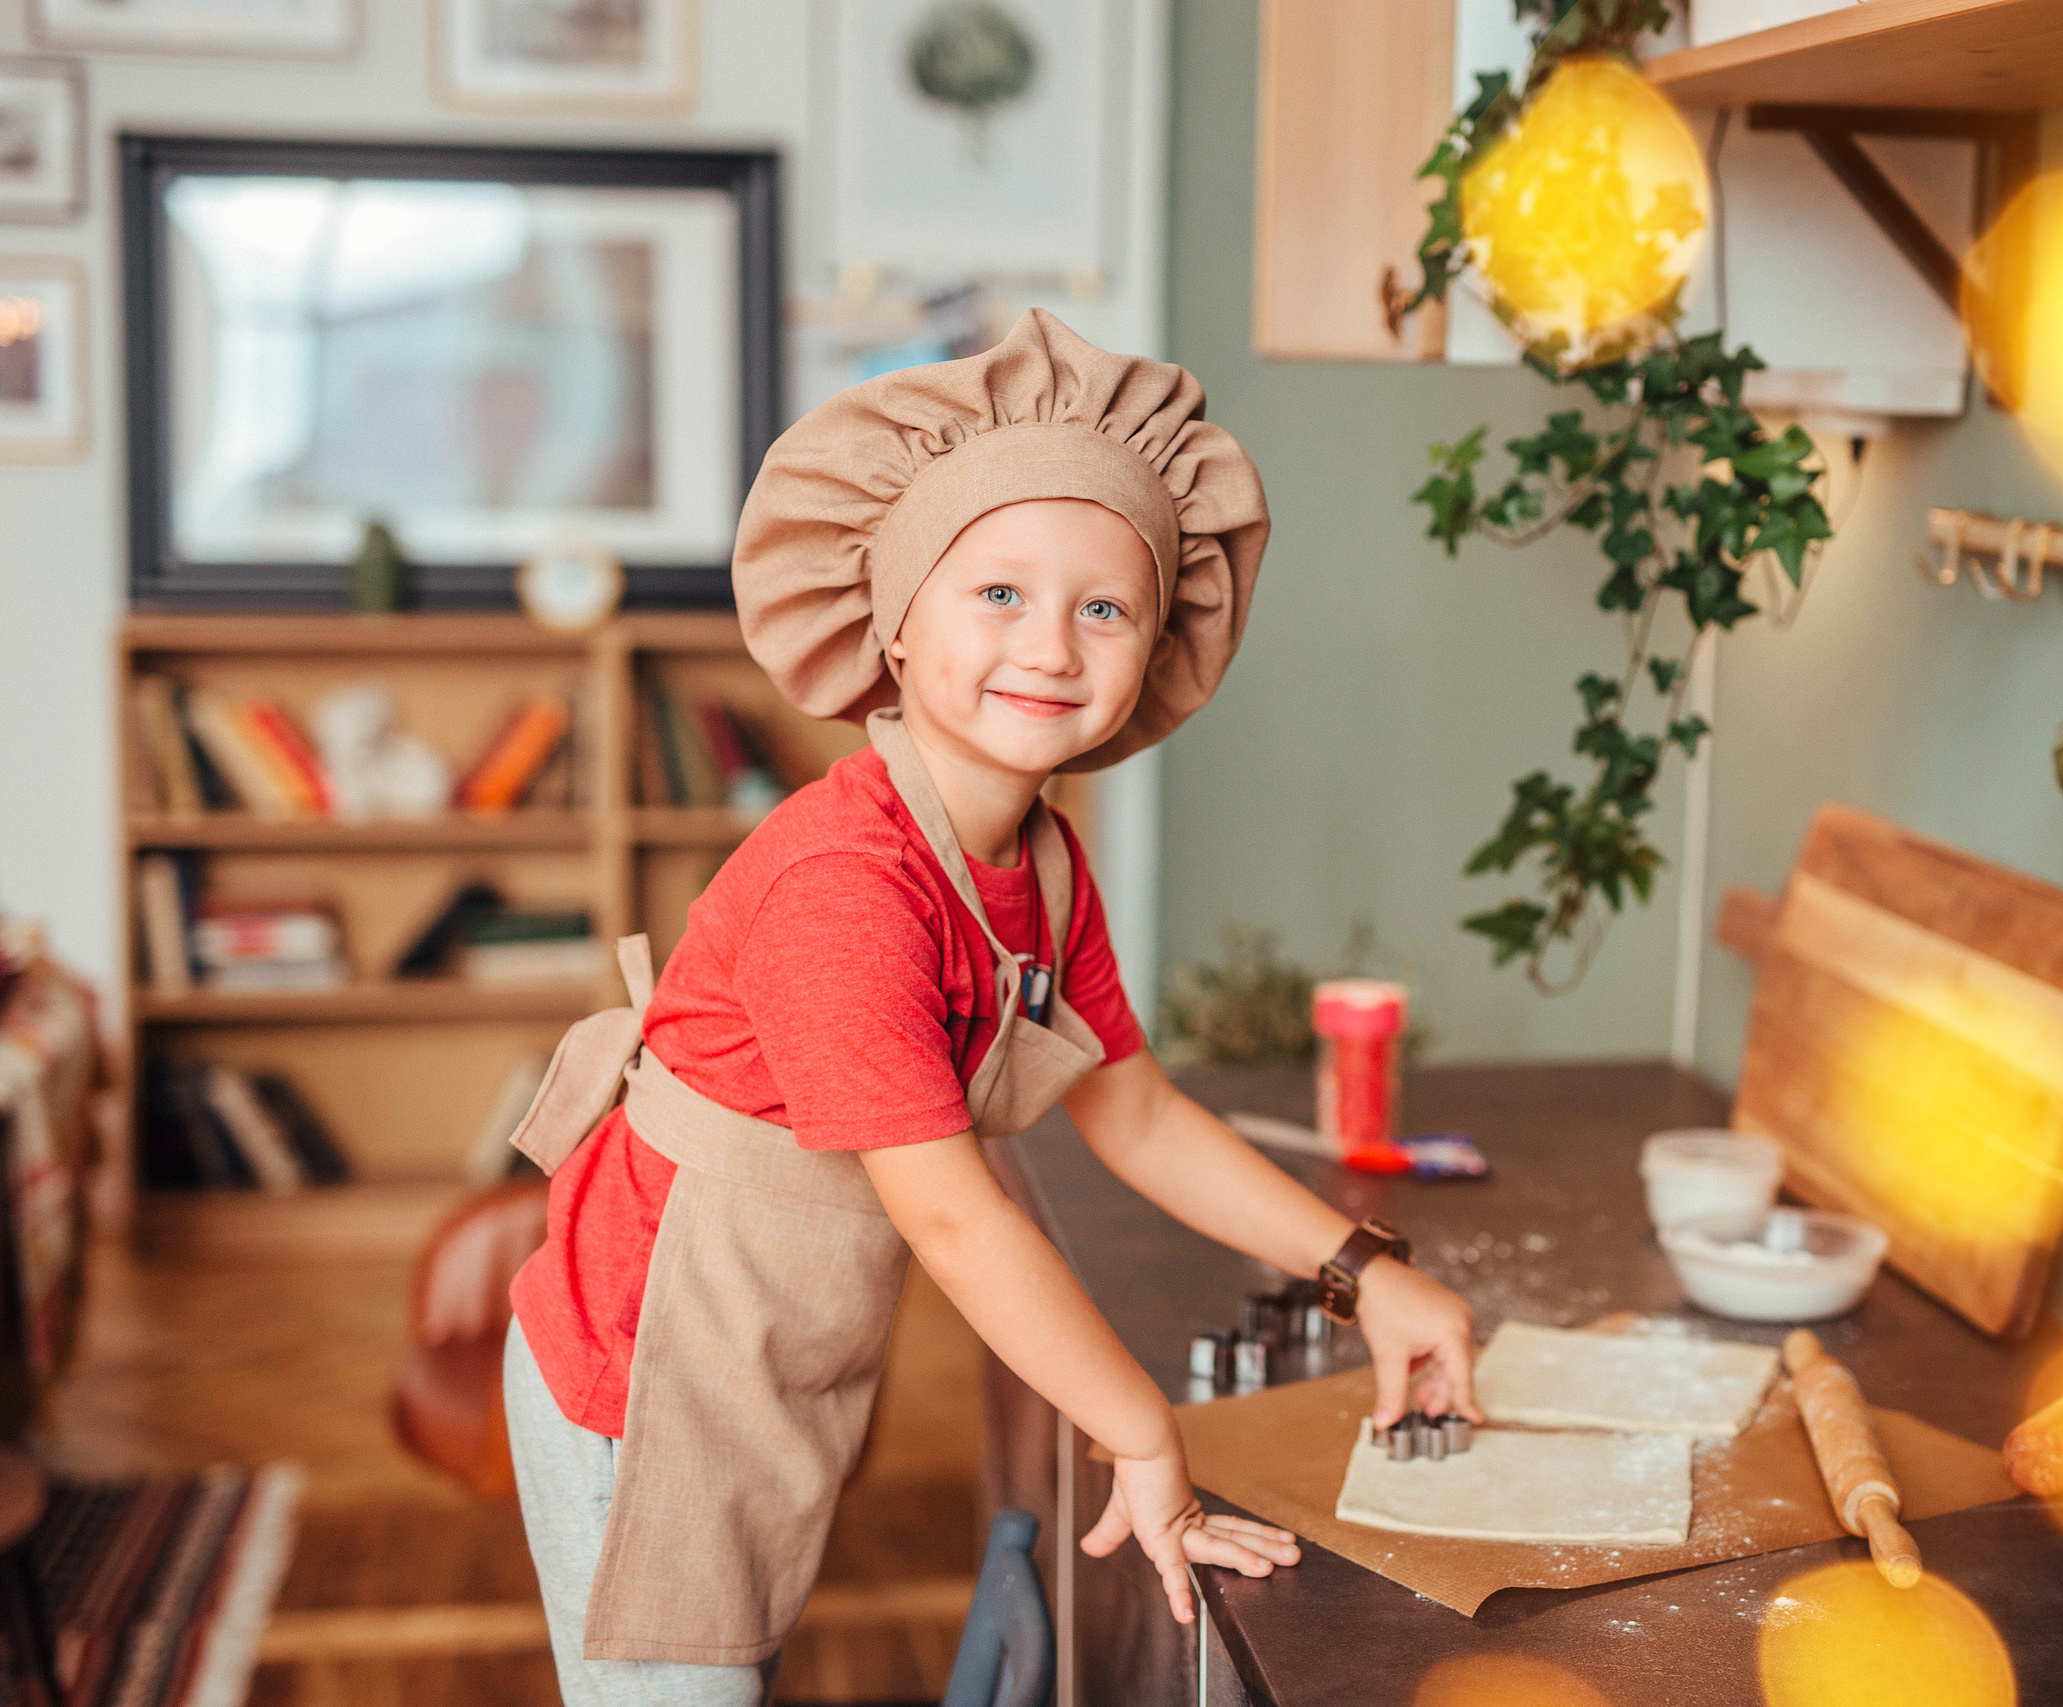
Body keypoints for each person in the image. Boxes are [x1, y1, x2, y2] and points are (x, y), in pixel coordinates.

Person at [498, 309, 1481, 1706]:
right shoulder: (847, 888)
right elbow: (950, 1210)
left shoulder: (1043, 866)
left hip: (769, 1349)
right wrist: (1140, 1430)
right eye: (1000, 595)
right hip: (642, 1375)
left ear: (1157, 646)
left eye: (1105, 607)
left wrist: (1368, 1273)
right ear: (894, 622)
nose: (1055, 647)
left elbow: (1136, 1113)